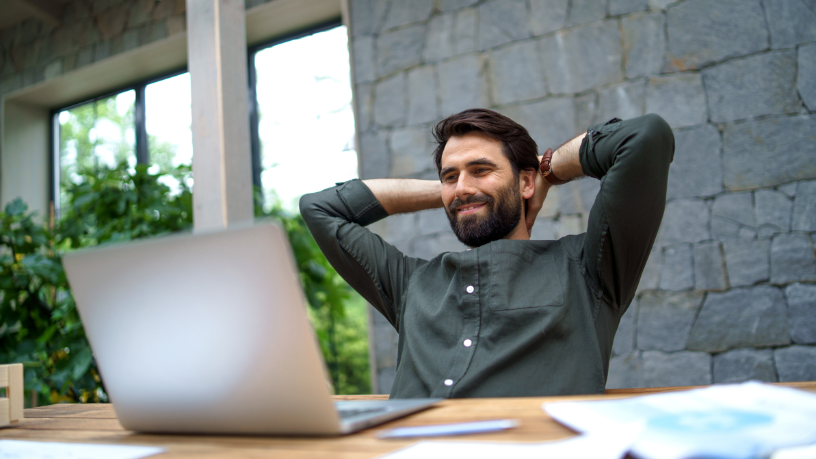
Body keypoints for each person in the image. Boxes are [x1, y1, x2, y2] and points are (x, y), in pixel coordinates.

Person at [300, 109, 674, 398]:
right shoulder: (411, 284)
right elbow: (319, 208)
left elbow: (644, 137)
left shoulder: (588, 270)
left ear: (524, 181)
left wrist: (548, 172)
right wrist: (455, 193)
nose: (462, 186)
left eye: (481, 169)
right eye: (450, 175)